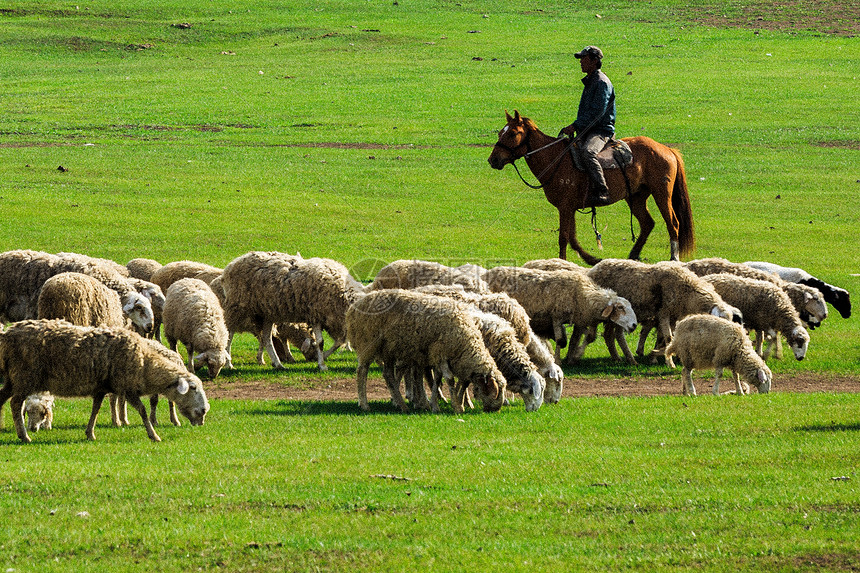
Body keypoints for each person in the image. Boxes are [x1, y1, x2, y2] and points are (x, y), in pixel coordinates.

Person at [559, 45, 616, 206]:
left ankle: (602, 190)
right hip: (587, 130)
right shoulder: (591, 81)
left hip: (601, 131)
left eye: (584, 59)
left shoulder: (601, 83)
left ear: (594, 61)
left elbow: (597, 113)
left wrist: (576, 125)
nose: (581, 62)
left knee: (588, 152)